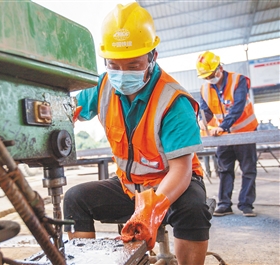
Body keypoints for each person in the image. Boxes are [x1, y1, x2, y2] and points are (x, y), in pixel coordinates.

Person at [64, 3, 211, 265]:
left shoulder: (173, 101)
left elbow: (181, 170)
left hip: (173, 186)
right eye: (114, 65)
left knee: (194, 209)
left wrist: (151, 209)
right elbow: (66, 110)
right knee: (76, 198)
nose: (122, 74)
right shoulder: (102, 86)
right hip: (129, 186)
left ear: (152, 56)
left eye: (133, 64)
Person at [196, 51, 258, 217]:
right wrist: (202, 121)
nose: (209, 79)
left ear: (220, 69)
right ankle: (224, 204)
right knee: (224, 169)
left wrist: (222, 126)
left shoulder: (239, 80)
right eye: (206, 76)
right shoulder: (205, 88)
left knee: (248, 169)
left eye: (211, 75)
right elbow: (206, 111)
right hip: (223, 136)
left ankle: (246, 204)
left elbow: (237, 107)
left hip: (245, 132)